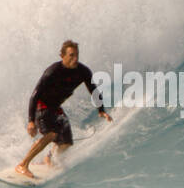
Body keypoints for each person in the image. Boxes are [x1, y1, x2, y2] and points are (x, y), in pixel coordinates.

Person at [16, 40, 112, 178]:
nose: (75, 59)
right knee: (52, 134)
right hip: (42, 105)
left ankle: (47, 158)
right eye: (71, 55)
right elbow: (34, 96)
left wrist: (101, 110)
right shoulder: (52, 71)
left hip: (55, 108)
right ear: (62, 56)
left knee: (66, 142)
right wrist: (31, 121)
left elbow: (94, 91)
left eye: (77, 55)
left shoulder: (83, 71)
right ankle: (23, 165)